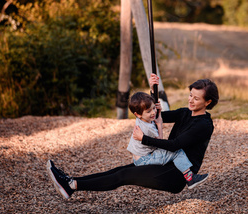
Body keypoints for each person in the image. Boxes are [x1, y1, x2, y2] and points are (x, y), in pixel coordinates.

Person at [46, 73, 219, 200]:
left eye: (196, 98)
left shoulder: (203, 125)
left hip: (175, 175)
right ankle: (71, 183)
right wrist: (153, 91)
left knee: (123, 176)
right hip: (164, 162)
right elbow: (152, 115)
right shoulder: (185, 112)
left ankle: (71, 185)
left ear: (208, 102)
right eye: (190, 95)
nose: (190, 100)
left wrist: (143, 139)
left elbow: (175, 145)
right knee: (120, 170)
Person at [127, 91, 208, 189]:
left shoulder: (140, 119)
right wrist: (159, 124)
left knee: (168, 151)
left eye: (154, 108)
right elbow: (159, 142)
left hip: (137, 159)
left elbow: (146, 106)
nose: (153, 113)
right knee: (177, 151)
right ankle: (190, 178)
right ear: (138, 114)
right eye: (149, 111)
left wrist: (154, 90)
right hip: (145, 160)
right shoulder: (149, 129)